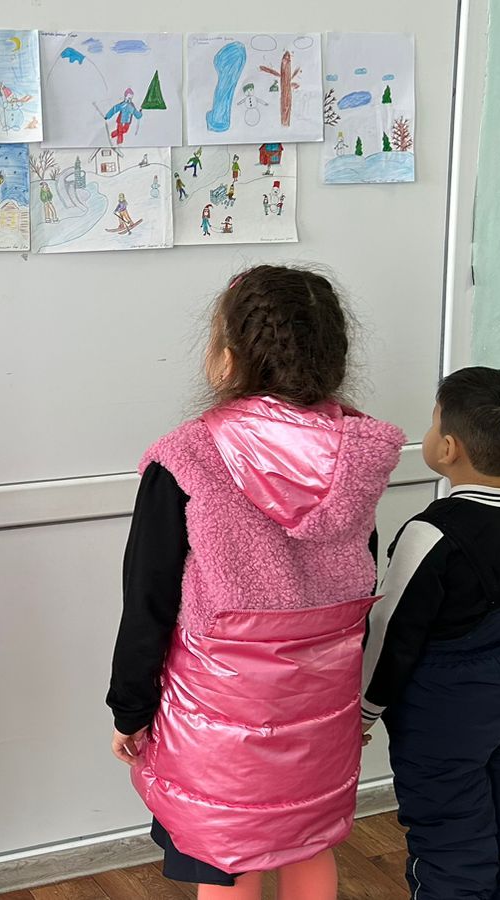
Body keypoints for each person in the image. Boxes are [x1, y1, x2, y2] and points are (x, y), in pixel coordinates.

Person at [108, 266, 404, 899]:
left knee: (227, 853)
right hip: (322, 696)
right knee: (309, 840)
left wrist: (130, 707)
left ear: (227, 357)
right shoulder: (356, 455)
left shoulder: (186, 456)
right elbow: (364, 569)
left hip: (221, 710)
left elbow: (147, 599)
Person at [361, 367, 500, 900]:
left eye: (432, 423)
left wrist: (364, 711)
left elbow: (392, 633)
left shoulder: (429, 532)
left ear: (448, 448)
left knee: (449, 837)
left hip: (446, 713)